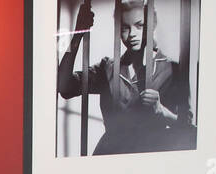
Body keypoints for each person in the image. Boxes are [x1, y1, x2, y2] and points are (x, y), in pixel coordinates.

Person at [58, 0, 194, 155]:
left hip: (151, 158)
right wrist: (78, 34)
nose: (132, 34)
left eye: (140, 25)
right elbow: (64, 87)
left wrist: (162, 111)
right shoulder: (107, 68)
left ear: (152, 24)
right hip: (110, 156)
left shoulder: (174, 70)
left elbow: (189, 129)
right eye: (125, 28)